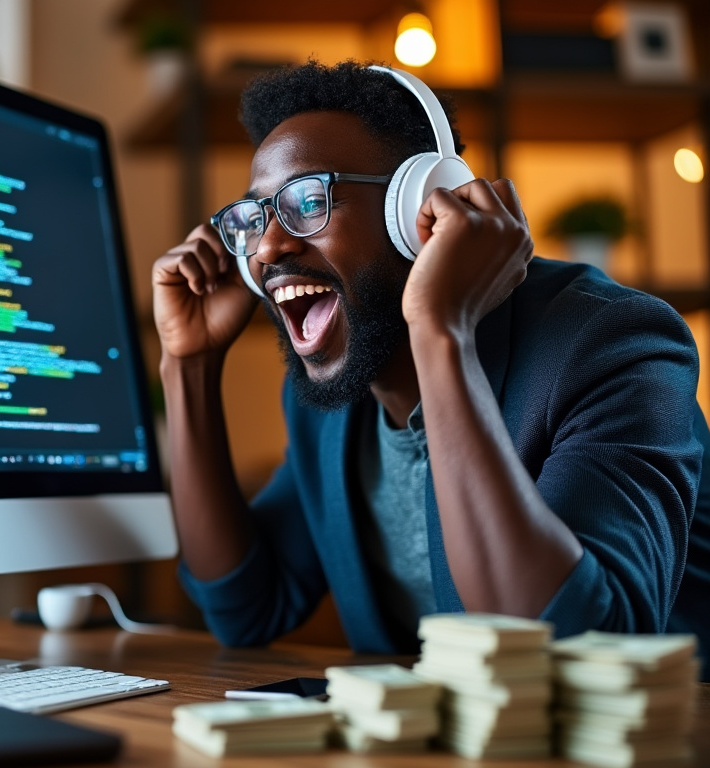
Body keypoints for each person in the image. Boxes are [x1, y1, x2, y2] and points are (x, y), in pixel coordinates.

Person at [151, 60, 710, 673]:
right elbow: (246, 609)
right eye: (254, 218)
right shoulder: (338, 395)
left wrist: (442, 330)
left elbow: (566, 653)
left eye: (309, 200)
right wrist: (189, 364)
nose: (268, 246)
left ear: (416, 209)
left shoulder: (613, 344)